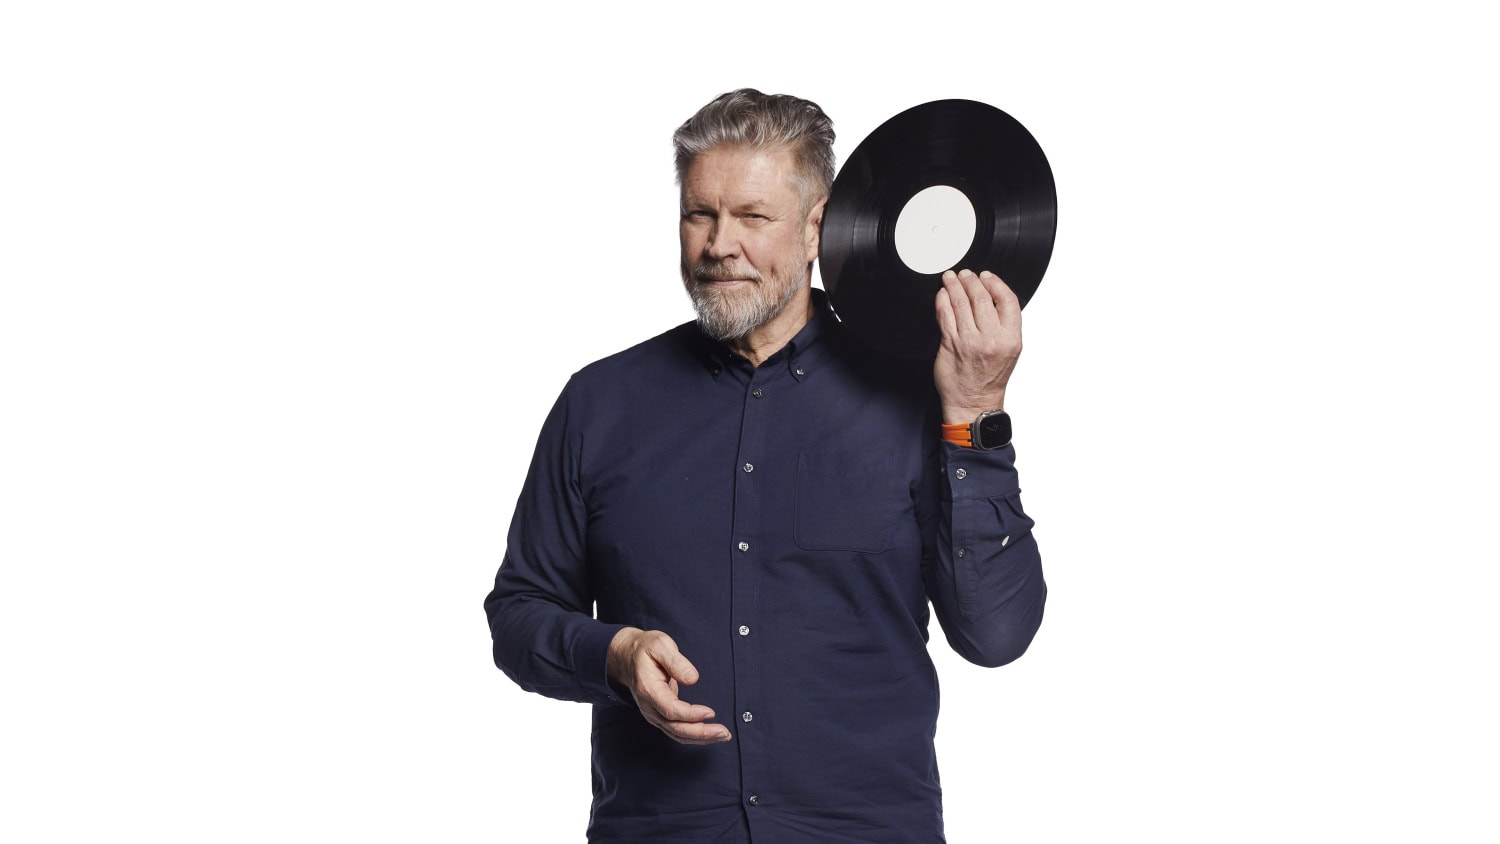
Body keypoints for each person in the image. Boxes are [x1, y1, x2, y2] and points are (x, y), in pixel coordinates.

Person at [484, 88, 1046, 843]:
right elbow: (519, 615)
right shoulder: (598, 404)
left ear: (818, 227)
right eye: (699, 214)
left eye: (753, 217)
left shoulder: (921, 399)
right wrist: (613, 654)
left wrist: (975, 413)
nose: (720, 244)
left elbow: (996, 633)